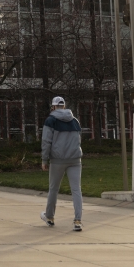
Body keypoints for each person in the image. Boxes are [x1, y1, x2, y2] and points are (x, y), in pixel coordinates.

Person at [40, 96, 83, 231]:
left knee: (53, 189)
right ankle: (77, 221)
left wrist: (44, 159)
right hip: (75, 160)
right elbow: (79, 140)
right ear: (64, 106)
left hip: (57, 160)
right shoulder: (75, 121)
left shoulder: (50, 121)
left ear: (53, 107)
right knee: (76, 190)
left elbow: (46, 141)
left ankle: (50, 217)